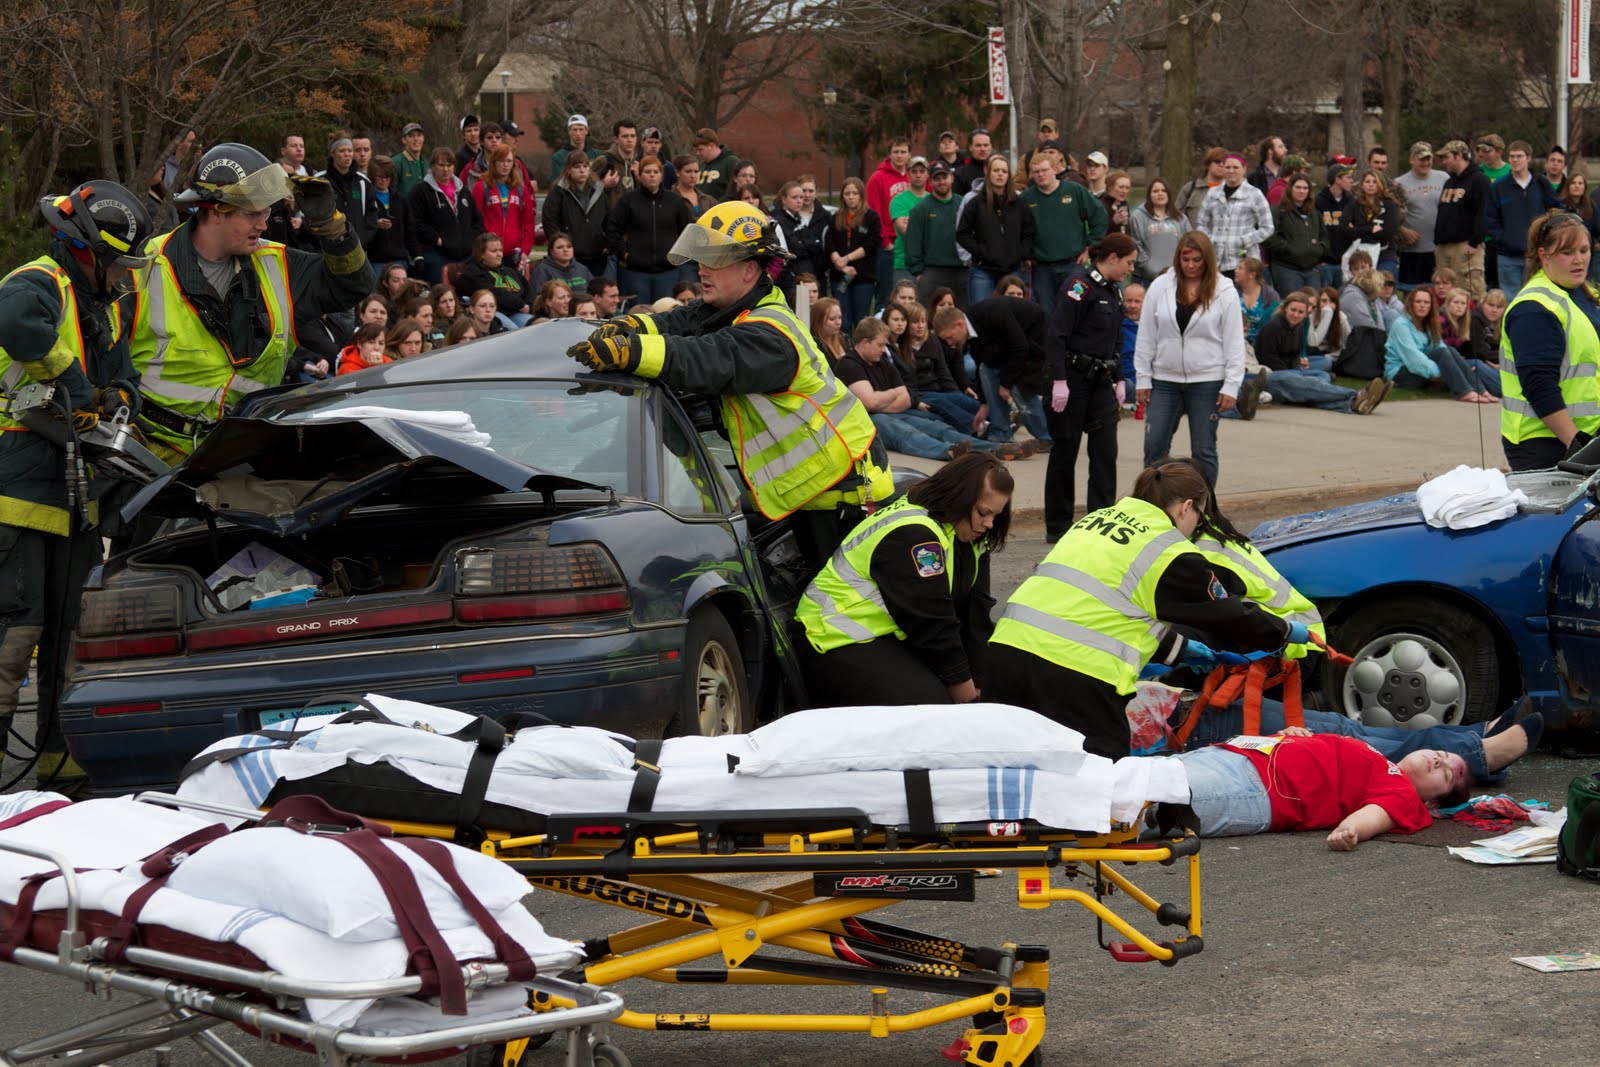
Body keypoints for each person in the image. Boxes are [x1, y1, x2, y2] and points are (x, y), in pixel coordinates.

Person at [564, 199, 895, 563]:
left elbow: (708, 358)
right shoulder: (730, 309)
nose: (702, 271)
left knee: (834, 608)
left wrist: (631, 352)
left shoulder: (770, 334)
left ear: (750, 269)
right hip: (813, 489)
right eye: (701, 260)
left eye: (715, 261)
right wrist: (628, 327)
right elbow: (681, 322)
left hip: (844, 494)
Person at [0, 181, 154, 789]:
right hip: (17, 492)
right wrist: (80, 389)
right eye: (118, 262)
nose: (122, 275)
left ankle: (61, 781)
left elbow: (127, 383)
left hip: (75, 496)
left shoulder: (105, 306)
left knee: (75, 641)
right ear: (87, 250)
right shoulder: (37, 282)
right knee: (15, 633)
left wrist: (119, 398)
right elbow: (15, 322)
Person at [987, 460, 1294, 758]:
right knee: (1102, 779)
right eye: (1199, 518)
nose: (1194, 528)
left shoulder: (1095, 520)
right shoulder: (1169, 550)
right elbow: (1229, 615)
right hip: (1073, 679)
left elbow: (1104, 611)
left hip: (1006, 657)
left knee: (1009, 769)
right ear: (1187, 507)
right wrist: (1287, 631)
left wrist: (1182, 650)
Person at [129, 143, 373, 462]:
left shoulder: (278, 266)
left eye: (266, 211)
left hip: (241, 456)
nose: (264, 224)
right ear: (216, 210)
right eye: (252, 213)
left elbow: (354, 284)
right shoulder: (144, 267)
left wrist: (333, 229)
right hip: (152, 455)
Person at [795, 452, 1011, 707]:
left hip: (890, 638)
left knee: (998, 687)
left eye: (995, 515)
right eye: (983, 512)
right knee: (931, 709)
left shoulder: (971, 538)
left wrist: (981, 687)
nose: (988, 524)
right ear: (959, 497)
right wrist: (967, 699)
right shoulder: (916, 534)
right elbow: (933, 624)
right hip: (834, 640)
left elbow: (976, 618)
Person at [1043, 234, 1138, 540]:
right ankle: (1058, 527)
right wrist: (1058, 380)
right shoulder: (1079, 287)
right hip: (1072, 379)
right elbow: (1057, 334)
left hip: (1101, 381)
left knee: (1105, 452)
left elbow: (1116, 339)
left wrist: (1121, 377)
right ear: (1112, 257)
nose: (1130, 269)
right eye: (1129, 262)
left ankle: (1100, 521)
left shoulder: (1114, 291)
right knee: (1065, 451)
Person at [1134, 232, 1246, 485]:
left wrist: (1232, 384)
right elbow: (1146, 335)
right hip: (1164, 378)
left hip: (1207, 380)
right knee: (1154, 446)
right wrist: (1142, 377)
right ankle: (1152, 507)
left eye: (1197, 260)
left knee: (1204, 450)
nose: (1191, 266)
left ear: (1207, 259)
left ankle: (1204, 509)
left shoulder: (1224, 290)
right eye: (1186, 259)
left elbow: (1234, 341)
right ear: (1178, 258)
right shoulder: (1160, 286)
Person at [835, 319, 1023, 462]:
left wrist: (883, 400)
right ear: (865, 342)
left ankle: (994, 448)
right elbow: (871, 403)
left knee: (937, 426)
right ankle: (950, 452)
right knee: (906, 432)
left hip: (888, 413)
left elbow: (905, 398)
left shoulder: (881, 361)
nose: (884, 350)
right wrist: (891, 396)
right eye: (880, 345)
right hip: (865, 422)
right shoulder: (849, 364)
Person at [1500, 211, 1600, 470]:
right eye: (1567, 252)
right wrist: (1579, 448)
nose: (1579, 260)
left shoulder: (1584, 295)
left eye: (1584, 250)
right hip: (1548, 444)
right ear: (1544, 256)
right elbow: (1539, 385)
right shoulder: (1535, 307)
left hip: (1587, 437)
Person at [1245, 293, 1389, 416]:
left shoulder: (1299, 328)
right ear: (1284, 309)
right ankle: (1356, 395)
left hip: (1292, 371)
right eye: (1292, 310)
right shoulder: (1272, 327)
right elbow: (1269, 359)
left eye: (1300, 312)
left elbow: (1297, 355)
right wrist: (1295, 374)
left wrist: (1298, 369)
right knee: (1301, 381)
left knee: (1322, 375)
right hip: (1274, 374)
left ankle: (1352, 405)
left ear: (1306, 314)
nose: (1296, 315)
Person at [942, 295, 1053, 448]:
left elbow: (1020, 348)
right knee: (986, 370)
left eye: (950, 337)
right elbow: (981, 362)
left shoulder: (990, 312)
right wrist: (984, 404)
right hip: (1012, 347)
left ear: (959, 325)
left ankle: (1045, 437)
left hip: (1035, 341)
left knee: (1019, 386)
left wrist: (1006, 383)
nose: (950, 343)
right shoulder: (971, 329)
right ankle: (1001, 433)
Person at [1022, 154, 1108, 314]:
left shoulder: (1075, 191)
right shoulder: (1026, 198)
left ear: (1055, 169)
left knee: (1075, 310)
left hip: (1073, 265)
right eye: (1036, 172)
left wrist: (1091, 245)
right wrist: (1025, 253)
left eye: (1044, 170)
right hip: (1041, 269)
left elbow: (1100, 216)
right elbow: (1018, 229)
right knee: (1046, 314)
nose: (1040, 174)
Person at [1385, 287, 1497, 403]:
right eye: (1418, 302)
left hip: (1422, 371)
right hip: (1401, 374)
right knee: (1443, 353)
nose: (1422, 305)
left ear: (1431, 306)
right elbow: (1414, 361)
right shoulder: (1401, 325)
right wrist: (1445, 373)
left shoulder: (1427, 324)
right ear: (1410, 304)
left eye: (1426, 302)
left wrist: (1455, 369)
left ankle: (1481, 390)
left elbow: (1441, 347)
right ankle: (1465, 392)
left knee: (1450, 350)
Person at [605, 156, 692, 305]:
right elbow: (612, 229)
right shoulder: (629, 200)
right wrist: (625, 254)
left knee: (665, 315)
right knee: (638, 316)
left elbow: (689, 230)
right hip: (636, 273)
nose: (652, 175)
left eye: (656, 171)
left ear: (661, 175)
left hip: (668, 273)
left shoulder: (674, 201)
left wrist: (678, 256)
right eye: (647, 171)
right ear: (640, 175)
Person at [1486, 140, 1560, 300]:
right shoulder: (1499, 187)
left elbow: (1556, 210)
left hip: (1536, 255)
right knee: (1511, 301)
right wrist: (1503, 239)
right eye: (1511, 157)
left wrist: (1546, 238)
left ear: (1528, 158)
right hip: (1507, 257)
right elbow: (1490, 218)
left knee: (1537, 298)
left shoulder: (1541, 183)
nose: (1514, 160)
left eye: (1519, 156)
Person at [957, 156, 1035, 305]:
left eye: (1004, 171)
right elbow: (962, 234)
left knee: (1014, 312)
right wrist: (981, 252)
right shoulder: (975, 203)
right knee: (982, 314)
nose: (1000, 174)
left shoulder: (1019, 204)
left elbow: (1029, 233)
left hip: (1013, 270)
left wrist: (1020, 254)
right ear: (988, 174)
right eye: (996, 170)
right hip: (983, 270)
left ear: (1008, 176)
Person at [407, 147, 481, 284]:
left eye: (449, 165)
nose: (445, 169)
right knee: (441, 296)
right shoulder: (420, 191)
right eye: (441, 165)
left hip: (465, 256)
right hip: (436, 255)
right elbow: (415, 223)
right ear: (433, 166)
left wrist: (469, 240)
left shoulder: (463, 191)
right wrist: (437, 239)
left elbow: (477, 221)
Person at [1433, 140, 1492, 303]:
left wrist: (1475, 241)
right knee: (1445, 293)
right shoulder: (1450, 182)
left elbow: (1485, 213)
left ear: (1459, 156)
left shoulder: (1479, 180)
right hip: (1444, 247)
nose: (1443, 162)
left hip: (1466, 246)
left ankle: (1475, 326)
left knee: (1469, 292)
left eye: (1446, 157)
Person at [1197, 153, 1274, 276]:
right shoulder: (1212, 194)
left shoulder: (1254, 194)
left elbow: (1268, 228)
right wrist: (1211, 240)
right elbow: (1201, 224)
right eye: (1227, 167)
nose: (1231, 171)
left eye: (1235, 167)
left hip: (1245, 262)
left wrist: (1245, 240)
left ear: (1244, 169)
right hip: (1216, 263)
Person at [906, 161, 969, 306]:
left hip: (962, 270)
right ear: (930, 181)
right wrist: (918, 272)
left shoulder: (964, 205)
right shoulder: (920, 209)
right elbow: (912, 243)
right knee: (929, 318)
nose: (941, 182)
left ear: (952, 178)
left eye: (944, 177)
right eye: (936, 178)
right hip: (932, 272)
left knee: (963, 317)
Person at [543, 152, 609, 280]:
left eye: (585, 166)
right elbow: (549, 221)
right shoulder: (558, 192)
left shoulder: (599, 191)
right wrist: (560, 247)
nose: (582, 170)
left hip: (596, 256)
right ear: (568, 170)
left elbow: (608, 219)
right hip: (568, 259)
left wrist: (607, 243)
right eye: (577, 166)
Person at [865, 138, 912, 311]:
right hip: (889, 247)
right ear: (889, 154)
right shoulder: (878, 179)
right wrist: (886, 243)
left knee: (910, 296)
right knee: (887, 296)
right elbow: (874, 214)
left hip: (913, 245)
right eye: (896, 152)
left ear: (909, 155)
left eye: (903, 152)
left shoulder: (916, 176)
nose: (899, 156)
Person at [1393, 142, 1446, 292]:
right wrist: (1402, 230)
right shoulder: (1398, 183)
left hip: (1438, 249)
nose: (1426, 163)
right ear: (1412, 159)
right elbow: (1390, 215)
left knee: (1437, 292)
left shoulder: (1443, 178)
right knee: (1412, 293)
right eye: (1421, 159)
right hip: (1412, 251)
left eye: (1428, 159)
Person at [473, 144, 535, 269]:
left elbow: (528, 223)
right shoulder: (482, 187)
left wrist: (525, 250)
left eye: (509, 161)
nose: (505, 165)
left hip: (513, 254)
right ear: (494, 162)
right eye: (501, 161)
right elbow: (473, 221)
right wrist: (481, 249)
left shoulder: (520, 189)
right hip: (488, 253)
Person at [827, 177, 878, 329]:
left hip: (863, 277)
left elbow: (871, 244)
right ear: (842, 196)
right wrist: (840, 265)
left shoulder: (871, 217)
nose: (850, 197)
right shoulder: (835, 217)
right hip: (840, 276)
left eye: (854, 193)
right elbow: (829, 244)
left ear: (861, 195)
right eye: (847, 193)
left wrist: (847, 258)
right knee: (843, 320)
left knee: (861, 319)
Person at [1264, 175, 1327, 295]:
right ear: (1290, 189)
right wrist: (1289, 249)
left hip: (1312, 269)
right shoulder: (1278, 211)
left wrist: (1320, 250)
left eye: (1305, 188)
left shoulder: (1314, 213)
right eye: (1298, 187)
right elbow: (1268, 236)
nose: (1301, 191)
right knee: (1292, 306)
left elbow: (1324, 236)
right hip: (1286, 269)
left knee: (1313, 307)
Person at [453, 233, 532, 327]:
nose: (499, 254)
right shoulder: (472, 274)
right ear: (481, 254)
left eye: (500, 250)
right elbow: (495, 293)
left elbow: (527, 291)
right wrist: (520, 304)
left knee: (539, 325)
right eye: (494, 251)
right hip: (492, 312)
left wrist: (528, 305)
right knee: (513, 332)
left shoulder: (510, 271)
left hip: (517, 312)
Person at [1127, 178, 1189, 287]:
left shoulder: (1180, 218)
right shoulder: (1138, 216)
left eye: (1163, 191)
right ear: (1149, 195)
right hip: (1146, 279)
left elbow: (1189, 242)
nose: (1160, 194)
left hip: (1175, 277)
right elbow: (1135, 245)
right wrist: (1151, 269)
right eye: (1155, 191)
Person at [889, 158, 930, 288]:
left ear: (927, 174)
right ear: (908, 174)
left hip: (930, 265)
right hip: (904, 265)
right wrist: (929, 224)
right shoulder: (898, 200)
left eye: (922, 171)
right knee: (904, 307)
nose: (918, 175)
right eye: (914, 171)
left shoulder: (933, 200)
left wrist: (913, 221)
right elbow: (906, 231)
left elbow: (940, 231)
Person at [528, 232, 593, 296]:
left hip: (584, 304)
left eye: (569, 246)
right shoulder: (542, 270)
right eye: (560, 247)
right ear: (552, 251)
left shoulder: (582, 269)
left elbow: (595, 290)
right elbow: (538, 297)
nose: (565, 250)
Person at [1178, 147, 1227, 227]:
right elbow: (1176, 218)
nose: (1221, 165)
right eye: (1217, 161)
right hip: (1193, 238)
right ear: (1208, 165)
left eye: (1224, 163)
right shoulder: (1190, 189)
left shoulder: (1234, 192)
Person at [691, 128, 739, 202]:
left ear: (711, 146)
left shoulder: (731, 162)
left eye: (700, 149)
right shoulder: (701, 166)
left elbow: (738, 189)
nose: (698, 153)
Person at [550, 114, 600, 184]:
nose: (578, 133)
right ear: (569, 131)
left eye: (581, 129)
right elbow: (558, 183)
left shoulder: (597, 155)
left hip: (595, 194)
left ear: (587, 131)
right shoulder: (559, 157)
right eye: (574, 130)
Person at [953, 128, 992, 196]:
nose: (982, 149)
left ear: (991, 147)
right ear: (970, 147)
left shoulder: (999, 172)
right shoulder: (960, 175)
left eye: (986, 145)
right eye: (978, 145)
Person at [810, 296, 845, 365]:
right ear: (818, 321)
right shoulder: (814, 346)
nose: (838, 322)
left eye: (840, 317)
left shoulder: (845, 339)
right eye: (832, 319)